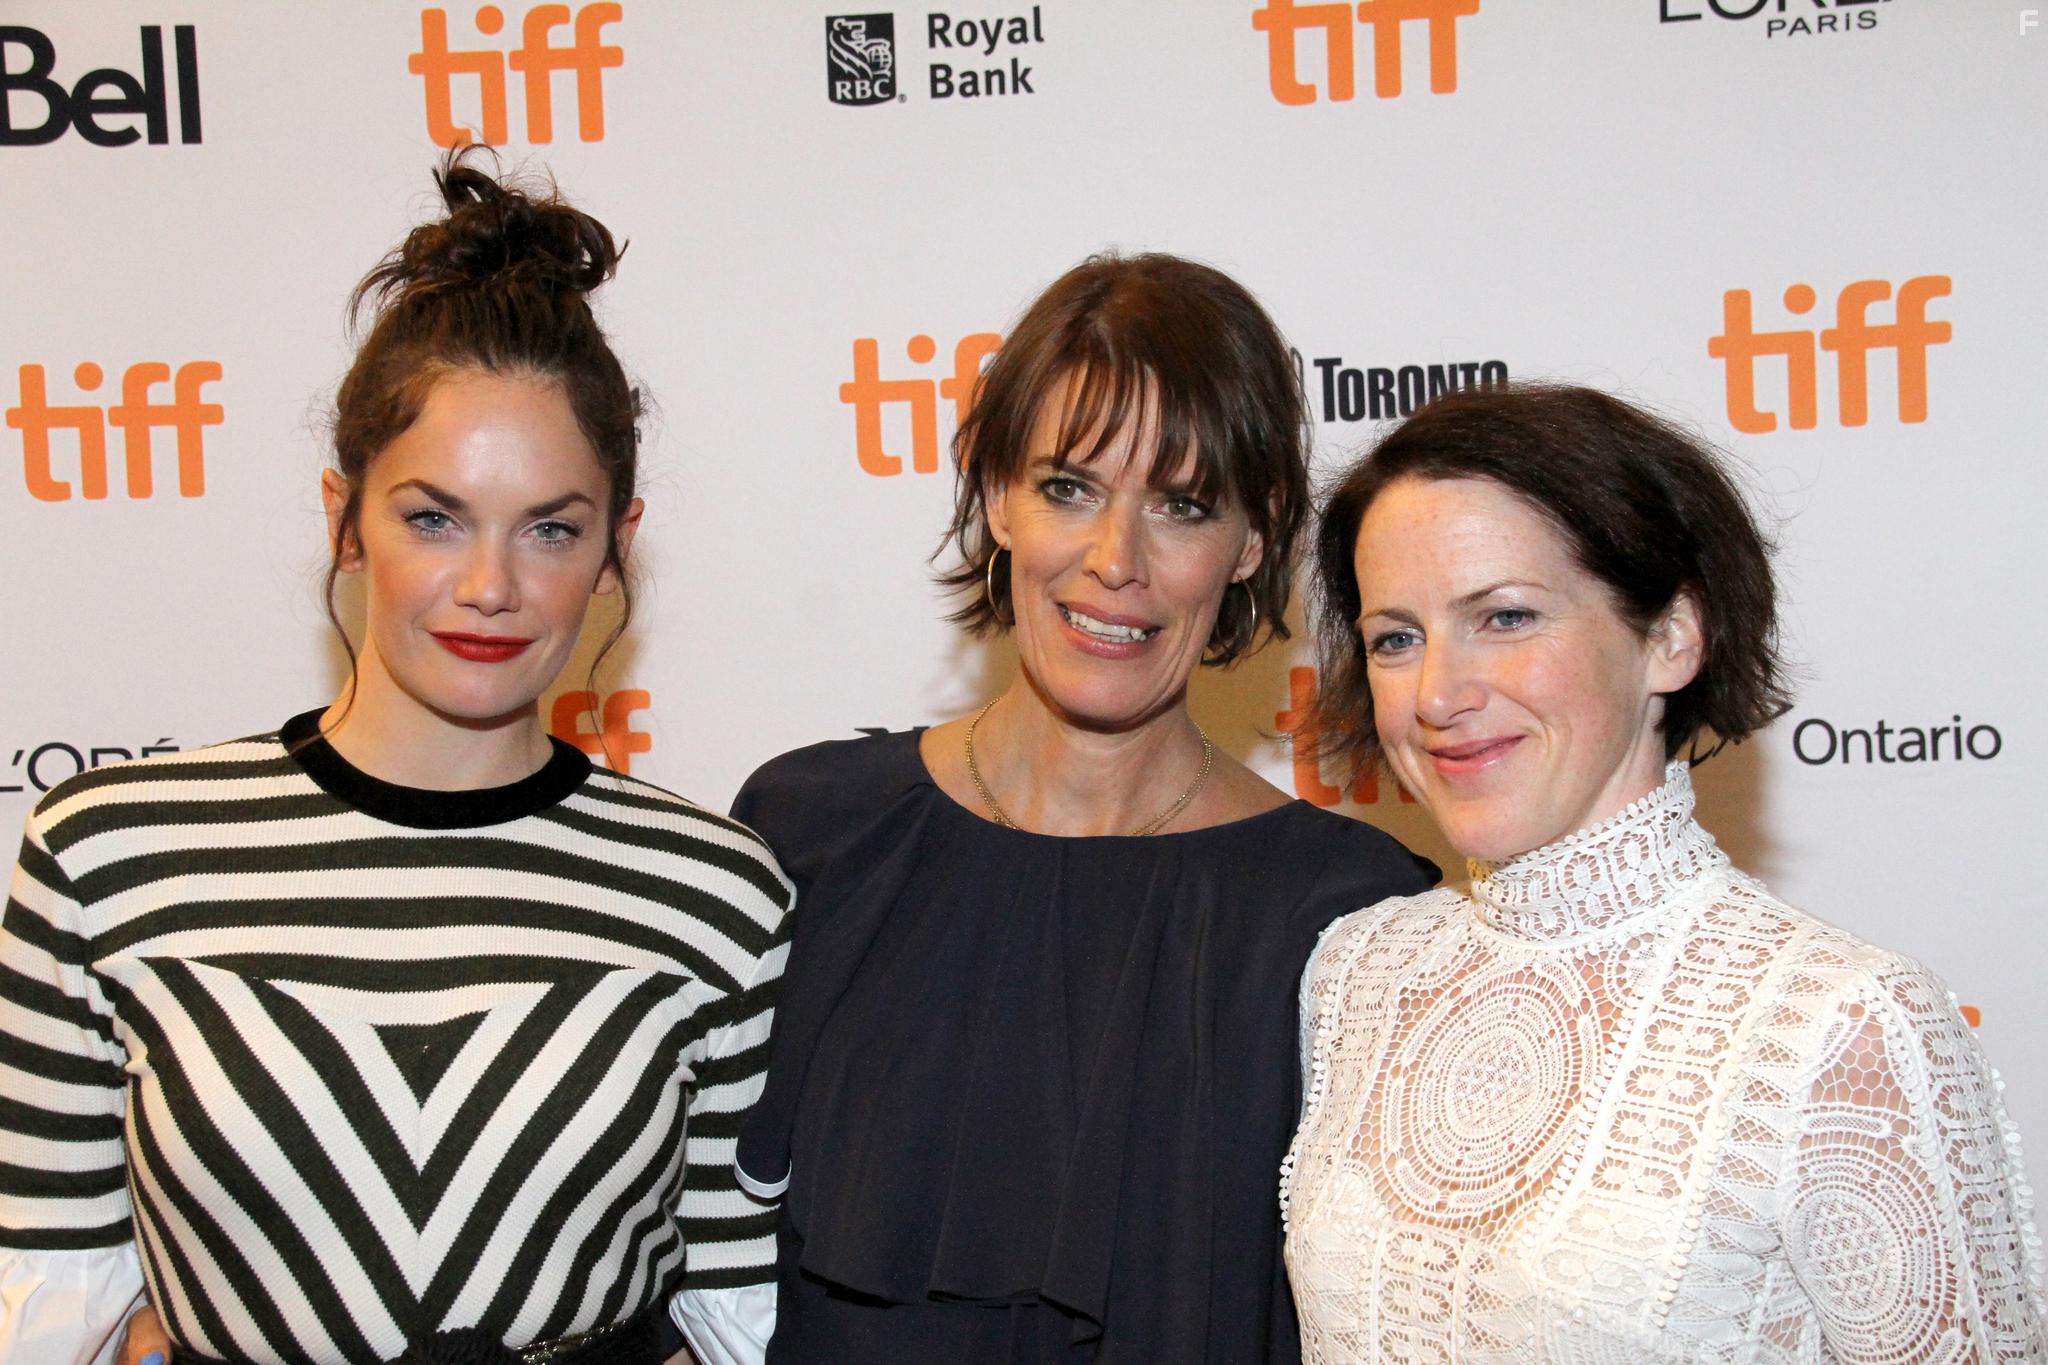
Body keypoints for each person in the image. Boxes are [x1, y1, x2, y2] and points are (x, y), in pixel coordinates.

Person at [0, 155, 788, 1365]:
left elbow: (736, 1322)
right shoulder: (108, 858)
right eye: (432, 517)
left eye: (551, 528)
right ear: (341, 517)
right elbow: (47, 1298)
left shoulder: (719, 894)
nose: (490, 585)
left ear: (616, 543)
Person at [729, 252, 1437, 1364]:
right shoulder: (809, 834)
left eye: (1181, 505)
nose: (1117, 561)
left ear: (1251, 543)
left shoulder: (1352, 922)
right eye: (1069, 488)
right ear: (994, 490)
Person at [1281, 383, 2047, 1360]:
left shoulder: (1840, 1025)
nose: (1436, 693)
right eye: (1397, 638)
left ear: (1670, 637)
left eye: (1504, 617)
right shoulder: (1355, 973)